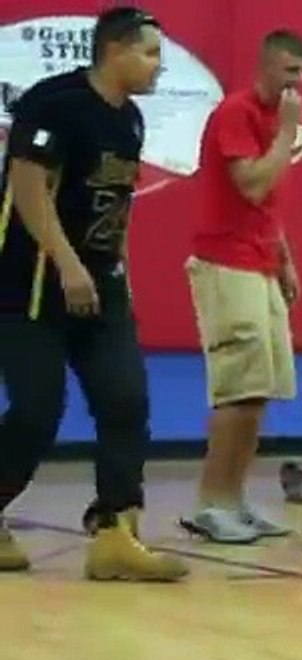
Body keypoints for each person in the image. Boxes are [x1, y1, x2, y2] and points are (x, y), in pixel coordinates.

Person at [0, 6, 187, 580]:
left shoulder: (130, 119)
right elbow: (28, 190)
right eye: (151, 53)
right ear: (115, 51)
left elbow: (111, 209)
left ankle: (115, 533)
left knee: (126, 400)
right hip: (33, 282)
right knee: (38, 409)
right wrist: (67, 262)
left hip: (102, 284)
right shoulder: (53, 103)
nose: (159, 66)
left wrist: (108, 271)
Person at [182, 30, 302, 543]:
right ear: (263, 68)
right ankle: (210, 504)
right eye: (288, 71)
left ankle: (235, 501)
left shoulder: (279, 124)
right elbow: (252, 182)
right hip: (224, 263)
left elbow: (267, 205)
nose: (296, 82)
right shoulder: (236, 114)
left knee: (259, 391)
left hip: (260, 263)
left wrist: (286, 261)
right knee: (237, 388)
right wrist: (286, 135)